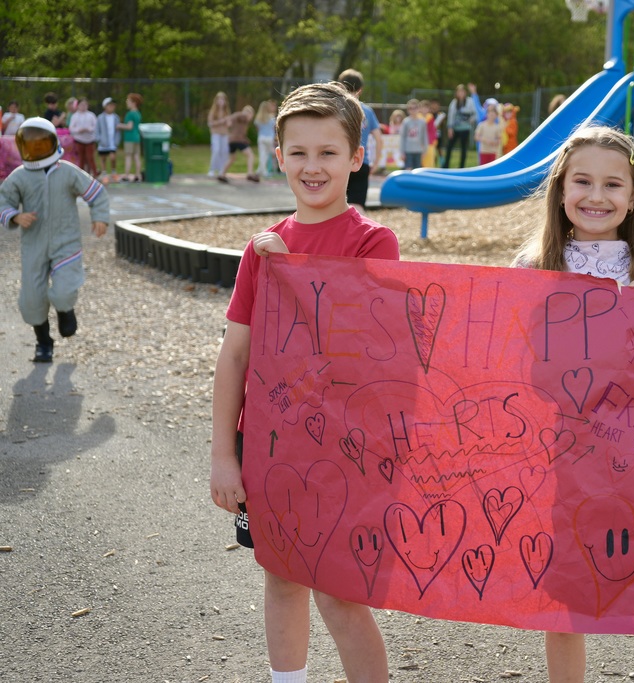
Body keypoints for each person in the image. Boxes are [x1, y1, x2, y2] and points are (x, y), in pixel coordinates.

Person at [511, 125, 634, 683]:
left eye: (612, 184)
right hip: (563, 464)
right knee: (565, 609)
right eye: (582, 180)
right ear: (559, 189)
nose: (596, 196)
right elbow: (519, 371)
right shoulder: (530, 273)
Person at [209, 81, 397, 683]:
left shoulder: (375, 243)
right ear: (278, 155)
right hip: (267, 448)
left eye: (328, 152)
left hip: (346, 450)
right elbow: (234, 356)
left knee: (341, 594)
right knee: (283, 578)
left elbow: (375, 346)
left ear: (356, 158)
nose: (312, 167)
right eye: (299, 153)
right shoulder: (261, 249)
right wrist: (222, 455)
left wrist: (294, 271)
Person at [0, 117, 108, 363]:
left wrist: (100, 217)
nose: (36, 149)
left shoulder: (67, 172)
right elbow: (3, 201)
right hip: (34, 245)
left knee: (64, 289)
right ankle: (44, 343)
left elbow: (96, 192)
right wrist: (15, 216)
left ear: (52, 142)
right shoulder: (20, 176)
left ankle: (65, 309)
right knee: (31, 299)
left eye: (41, 143)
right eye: (30, 144)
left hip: (65, 243)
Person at [337, 68, 385, 213]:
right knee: (357, 205)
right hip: (361, 161)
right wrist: (376, 162)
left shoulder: (335, 109)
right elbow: (379, 139)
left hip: (338, 161)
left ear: (340, 87)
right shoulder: (367, 111)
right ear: (360, 90)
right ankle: (358, 235)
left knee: (335, 206)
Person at [443, 84, 476, 168]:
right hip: (455, 129)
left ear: (465, 92)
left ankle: (462, 167)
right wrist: (450, 128)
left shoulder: (470, 101)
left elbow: (474, 114)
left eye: (462, 92)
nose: (460, 94)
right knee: (449, 147)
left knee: (463, 148)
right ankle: (446, 165)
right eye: (459, 92)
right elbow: (451, 116)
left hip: (465, 129)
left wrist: (469, 120)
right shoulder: (454, 102)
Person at [226, 104, 258, 183]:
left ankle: (221, 174)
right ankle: (250, 174)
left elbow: (240, 132)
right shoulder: (242, 118)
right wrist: (244, 113)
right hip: (237, 140)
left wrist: (245, 139)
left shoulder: (244, 122)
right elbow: (236, 116)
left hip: (232, 141)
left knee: (232, 159)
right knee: (250, 155)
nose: (250, 117)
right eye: (249, 114)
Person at [69, 98, 98, 177]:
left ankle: (94, 173)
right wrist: (79, 130)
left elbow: (95, 126)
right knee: (81, 158)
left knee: (90, 157)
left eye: (85, 105)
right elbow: (71, 128)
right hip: (79, 140)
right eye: (82, 105)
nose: (83, 106)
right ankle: (81, 174)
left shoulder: (91, 115)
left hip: (90, 140)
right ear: (78, 106)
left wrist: (89, 129)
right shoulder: (75, 116)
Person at [207, 91, 232, 183]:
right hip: (216, 134)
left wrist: (228, 122)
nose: (221, 101)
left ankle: (222, 170)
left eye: (223, 99)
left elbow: (229, 123)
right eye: (219, 99)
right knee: (216, 150)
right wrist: (220, 121)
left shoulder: (226, 111)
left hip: (224, 134)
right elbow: (210, 124)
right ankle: (212, 169)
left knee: (224, 152)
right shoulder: (213, 111)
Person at [118, 93, 143, 182]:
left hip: (129, 138)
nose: (127, 102)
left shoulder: (130, 114)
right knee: (136, 156)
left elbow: (129, 126)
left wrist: (119, 125)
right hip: (136, 137)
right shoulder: (138, 113)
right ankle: (138, 175)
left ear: (134, 103)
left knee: (128, 156)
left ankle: (126, 176)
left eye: (128, 101)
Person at [398, 99, 428, 170]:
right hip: (408, 150)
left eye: (415, 108)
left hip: (418, 150)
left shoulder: (422, 122)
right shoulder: (406, 121)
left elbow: (425, 136)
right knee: (408, 169)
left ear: (418, 109)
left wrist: (425, 150)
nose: (413, 110)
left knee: (417, 170)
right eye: (410, 108)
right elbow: (403, 137)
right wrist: (402, 152)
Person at [96, 97, 121, 179]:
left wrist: (117, 140)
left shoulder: (116, 117)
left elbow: (118, 130)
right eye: (109, 105)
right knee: (103, 157)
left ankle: (113, 171)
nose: (111, 107)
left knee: (112, 157)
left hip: (112, 142)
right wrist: (99, 139)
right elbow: (97, 129)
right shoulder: (100, 117)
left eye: (113, 105)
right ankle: (104, 172)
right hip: (103, 141)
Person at [253, 100, 278, 179]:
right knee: (266, 155)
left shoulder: (258, 118)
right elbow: (274, 128)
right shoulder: (271, 118)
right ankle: (263, 171)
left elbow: (258, 129)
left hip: (261, 137)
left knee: (262, 154)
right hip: (269, 138)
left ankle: (260, 170)